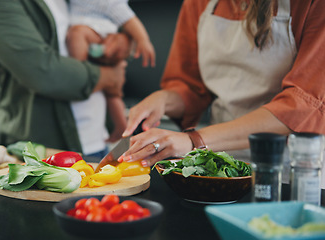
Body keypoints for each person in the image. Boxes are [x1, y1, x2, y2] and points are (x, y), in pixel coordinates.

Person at [118, 0, 325, 167]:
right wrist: (163, 99)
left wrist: (193, 141)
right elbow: (191, 87)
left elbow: (303, 106)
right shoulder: (197, 4)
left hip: (290, 167)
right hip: (217, 163)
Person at [0, 0, 132, 157]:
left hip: (98, 141)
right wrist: (111, 77)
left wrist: (123, 40)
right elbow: (43, 72)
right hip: (42, 152)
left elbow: (108, 16)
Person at [66, 0, 156, 143]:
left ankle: (80, 69)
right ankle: (121, 126)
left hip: (98, 35)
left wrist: (143, 40)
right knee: (112, 92)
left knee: (76, 34)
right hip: (94, 35)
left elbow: (128, 18)